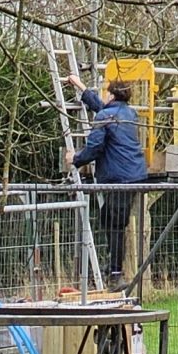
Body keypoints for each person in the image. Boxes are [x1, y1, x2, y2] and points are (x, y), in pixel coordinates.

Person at [66, 76, 147, 287]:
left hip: (119, 178)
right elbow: (101, 108)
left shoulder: (106, 117)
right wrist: (82, 88)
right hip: (133, 175)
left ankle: (116, 273)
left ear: (111, 94)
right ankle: (113, 267)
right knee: (110, 219)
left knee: (115, 224)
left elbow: (94, 148)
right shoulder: (128, 113)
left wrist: (74, 158)